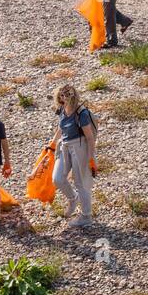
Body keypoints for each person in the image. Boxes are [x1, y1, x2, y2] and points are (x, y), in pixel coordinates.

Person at [51, 85, 97, 229]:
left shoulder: (81, 113)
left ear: (72, 96)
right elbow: (61, 127)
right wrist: (52, 144)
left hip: (79, 146)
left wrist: (91, 158)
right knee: (57, 178)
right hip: (64, 145)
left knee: (81, 182)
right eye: (60, 95)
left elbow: (89, 137)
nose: (62, 98)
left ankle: (86, 216)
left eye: (65, 95)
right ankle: (73, 198)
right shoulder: (62, 109)